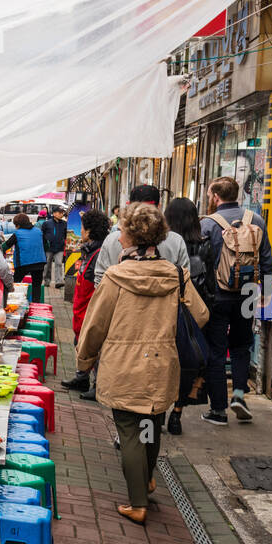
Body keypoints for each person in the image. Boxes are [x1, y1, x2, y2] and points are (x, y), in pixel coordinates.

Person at [75, 203, 208, 525]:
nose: (118, 236)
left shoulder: (117, 276)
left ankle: (138, 503)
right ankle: (147, 480)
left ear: (132, 236)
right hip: (163, 363)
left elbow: (95, 326)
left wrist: (85, 360)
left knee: (129, 429)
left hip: (123, 363)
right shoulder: (176, 274)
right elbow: (201, 315)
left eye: (121, 230)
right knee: (151, 422)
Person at [199, 176, 272, 426]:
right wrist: (264, 296)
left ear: (215, 197)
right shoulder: (257, 221)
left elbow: (201, 265)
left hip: (218, 297)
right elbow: (267, 264)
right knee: (242, 347)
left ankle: (218, 410)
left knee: (217, 352)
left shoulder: (208, 225)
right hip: (248, 296)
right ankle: (240, 396)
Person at [162, 197, 213, 435]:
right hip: (193, 310)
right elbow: (210, 280)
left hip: (168, 311)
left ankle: (158, 411)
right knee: (188, 364)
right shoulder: (205, 243)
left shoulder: (165, 241)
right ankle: (177, 413)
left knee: (164, 361)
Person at [94, 185, 189, 284]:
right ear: (159, 207)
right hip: (166, 299)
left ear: (130, 208)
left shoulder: (112, 239)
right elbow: (184, 279)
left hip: (120, 298)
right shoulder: (176, 241)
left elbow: (100, 278)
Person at [61, 209, 111, 393]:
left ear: (89, 231)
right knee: (79, 344)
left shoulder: (99, 253)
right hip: (81, 309)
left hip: (90, 310)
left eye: (82, 228)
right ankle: (81, 378)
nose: (80, 231)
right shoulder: (89, 250)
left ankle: (98, 386)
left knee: (93, 348)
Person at [1, 213, 48, 302]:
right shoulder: (38, 231)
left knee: (15, 283)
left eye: (16, 225)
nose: (15, 227)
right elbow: (47, 245)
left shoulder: (17, 233)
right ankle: (36, 306)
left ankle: (12, 302)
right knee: (36, 286)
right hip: (39, 263)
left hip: (23, 263)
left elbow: (6, 246)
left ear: (18, 225)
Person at [40, 207, 70, 288]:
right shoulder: (46, 223)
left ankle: (59, 281)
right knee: (47, 265)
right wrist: (44, 245)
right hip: (49, 248)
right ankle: (46, 280)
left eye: (62, 213)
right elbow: (42, 235)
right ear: (54, 213)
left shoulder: (64, 224)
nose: (61, 214)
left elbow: (66, 235)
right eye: (59, 212)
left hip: (59, 247)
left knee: (59, 264)